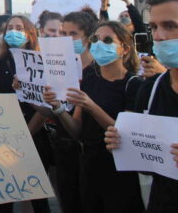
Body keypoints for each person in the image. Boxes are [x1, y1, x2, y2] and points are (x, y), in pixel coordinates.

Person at [44, 21, 144, 213]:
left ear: (124, 48)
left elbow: (125, 136)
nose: (99, 44)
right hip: (89, 167)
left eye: (107, 40)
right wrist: (57, 108)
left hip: (120, 173)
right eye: (95, 39)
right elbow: (77, 131)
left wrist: (91, 105)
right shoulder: (89, 77)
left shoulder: (134, 85)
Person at [105, 0, 178, 212]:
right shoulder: (150, 89)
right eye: (154, 27)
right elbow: (149, 166)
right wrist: (125, 144)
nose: (159, 36)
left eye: (170, 26)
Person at [0, 15, 52, 213]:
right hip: (5, 136)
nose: (13, 31)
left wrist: (25, 134)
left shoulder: (41, 62)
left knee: (38, 196)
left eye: (19, 27)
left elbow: (45, 105)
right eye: (10, 28)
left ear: (30, 33)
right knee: (5, 196)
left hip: (34, 133)